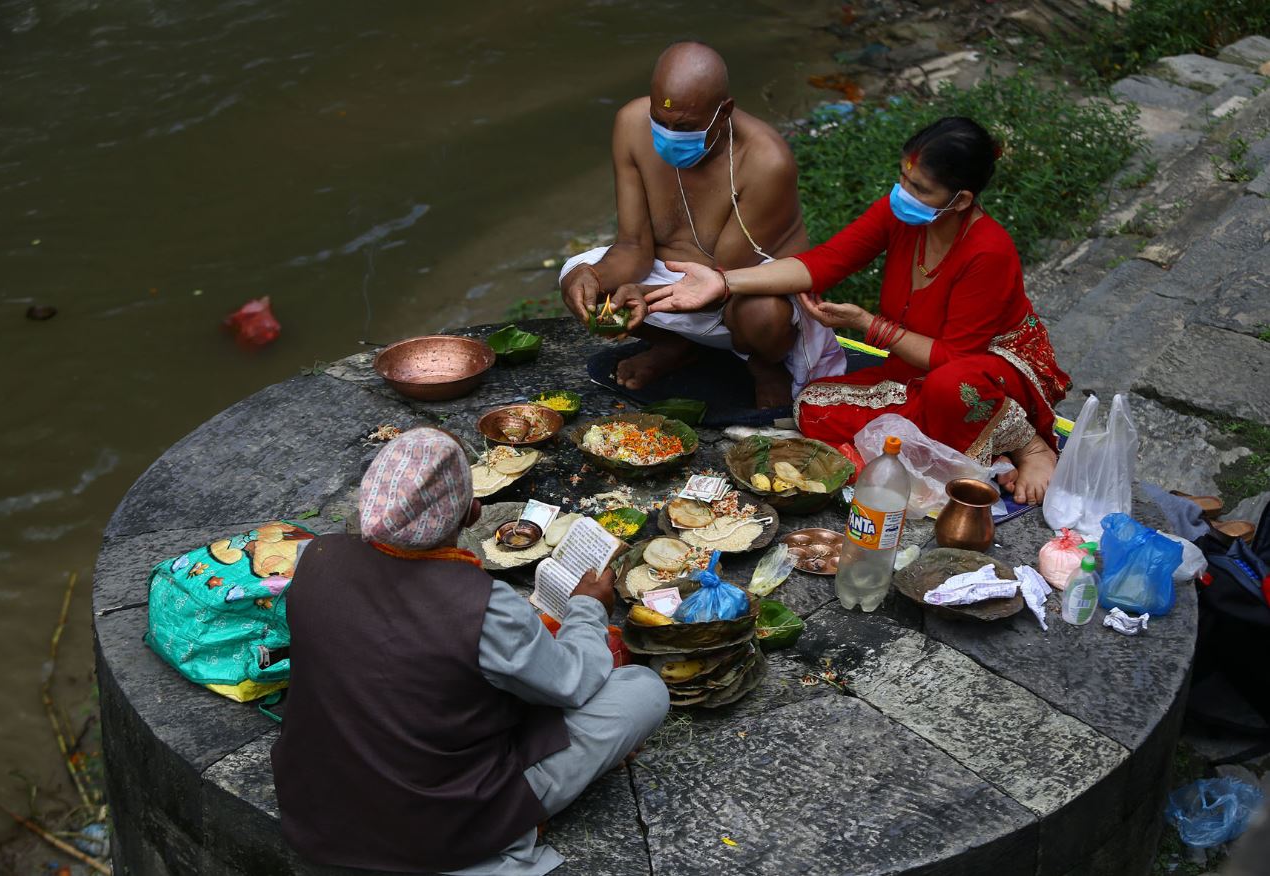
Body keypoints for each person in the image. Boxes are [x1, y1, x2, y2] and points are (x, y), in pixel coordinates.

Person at [271, 428, 669, 875]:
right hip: (443, 824)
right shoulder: (483, 607)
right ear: (472, 511)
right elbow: (572, 683)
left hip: (321, 806)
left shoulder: (317, 556)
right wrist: (588, 609)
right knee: (642, 690)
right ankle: (511, 826)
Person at [637, 117, 1070, 505]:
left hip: (989, 371)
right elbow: (825, 261)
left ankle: (1028, 444)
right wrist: (724, 281)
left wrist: (867, 325)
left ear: (960, 201)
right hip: (914, 369)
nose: (904, 193)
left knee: (949, 389)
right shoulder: (901, 214)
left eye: (920, 189)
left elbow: (956, 359)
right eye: (903, 177)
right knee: (812, 406)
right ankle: (967, 443)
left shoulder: (988, 251)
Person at [559, 40, 845, 408]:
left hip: (737, 295)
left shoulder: (765, 160)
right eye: (659, 122)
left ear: (723, 112)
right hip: (677, 289)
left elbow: (718, 281)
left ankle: (765, 368)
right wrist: (594, 279)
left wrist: (639, 297)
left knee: (763, 315)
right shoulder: (631, 124)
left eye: (684, 126)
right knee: (575, 275)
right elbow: (633, 245)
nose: (668, 134)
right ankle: (675, 346)